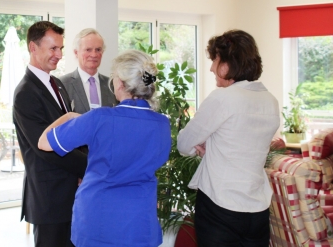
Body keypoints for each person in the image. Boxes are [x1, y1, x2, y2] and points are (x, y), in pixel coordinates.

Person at [38, 50, 172, 247]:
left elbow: (44, 143)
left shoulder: (99, 118)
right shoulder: (162, 124)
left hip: (98, 221)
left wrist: (69, 117)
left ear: (120, 83)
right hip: (140, 222)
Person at [177, 29, 280, 247]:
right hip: (257, 209)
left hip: (220, 207)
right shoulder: (270, 100)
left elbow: (184, 145)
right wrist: (214, 145)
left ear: (227, 64)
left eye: (215, 60)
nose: (212, 67)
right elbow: (243, 144)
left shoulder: (223, 98)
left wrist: (206, 143)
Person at [13, 21, 87, 247]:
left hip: (71, 194)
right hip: (50, 197)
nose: (59, 54)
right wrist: (91, 165)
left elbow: (70, 133)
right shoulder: (25, 92)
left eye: (61, 48)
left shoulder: (56, 83)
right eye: (53, 48)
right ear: (33, 48)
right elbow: (45, 147)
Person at [60, 28, 117, 113]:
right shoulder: (62, 84)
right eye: (88, 50)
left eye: (98, 50)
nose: (94, 55)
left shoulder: (112, 85)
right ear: (76, 52)